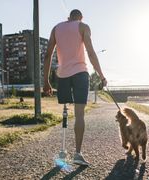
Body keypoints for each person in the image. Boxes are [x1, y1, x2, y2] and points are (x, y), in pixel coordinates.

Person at [43, 9, 107, 166]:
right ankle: (77, 154)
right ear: (80, 18)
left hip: (63, 74)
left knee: (65, 110)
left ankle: (63, 150)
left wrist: (46, 81)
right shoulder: (83, 26)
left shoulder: (56, 28)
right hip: (80, 73)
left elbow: (48, 55)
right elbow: (91, 53)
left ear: (69, 17)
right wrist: (101, 75)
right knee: (79, 115)